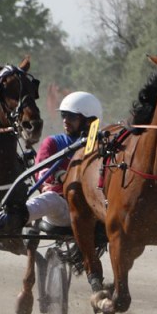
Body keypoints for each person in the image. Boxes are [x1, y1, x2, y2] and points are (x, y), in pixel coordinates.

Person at [21, 91, 103, 228]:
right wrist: (62, 176)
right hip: (64, 208)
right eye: (63, 115)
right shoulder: (52, 142)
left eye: (71, 116)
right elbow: (43, 175)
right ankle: (14, 217)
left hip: (96, 210)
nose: (65, 120)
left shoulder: (103, 145)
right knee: (51, 199)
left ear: (89, 121)